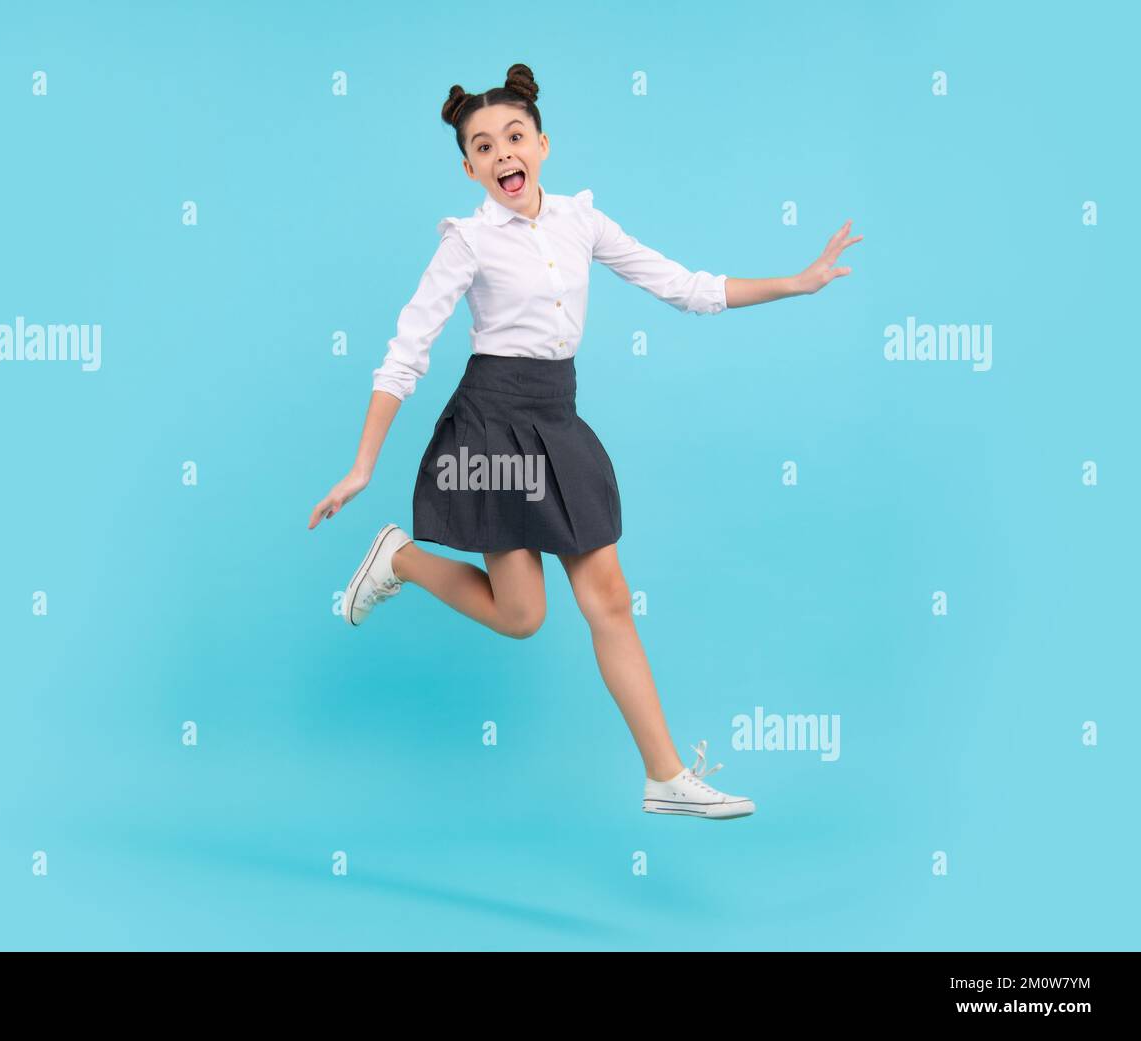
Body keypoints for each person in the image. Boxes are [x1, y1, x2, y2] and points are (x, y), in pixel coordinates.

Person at [308, 63, 862, 821]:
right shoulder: (466, 242)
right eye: (482, 145)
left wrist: (794, 283)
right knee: (524, 615)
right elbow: (405, 351)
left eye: (514, 136)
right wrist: (364, 461)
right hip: (492, 426)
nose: (502, 152)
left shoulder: (582, 221)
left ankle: (665, 775)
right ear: (468, 166)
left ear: (542, 143)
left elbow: (687, 287)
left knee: (602, 599)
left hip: (557, 419)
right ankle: (398, 556)